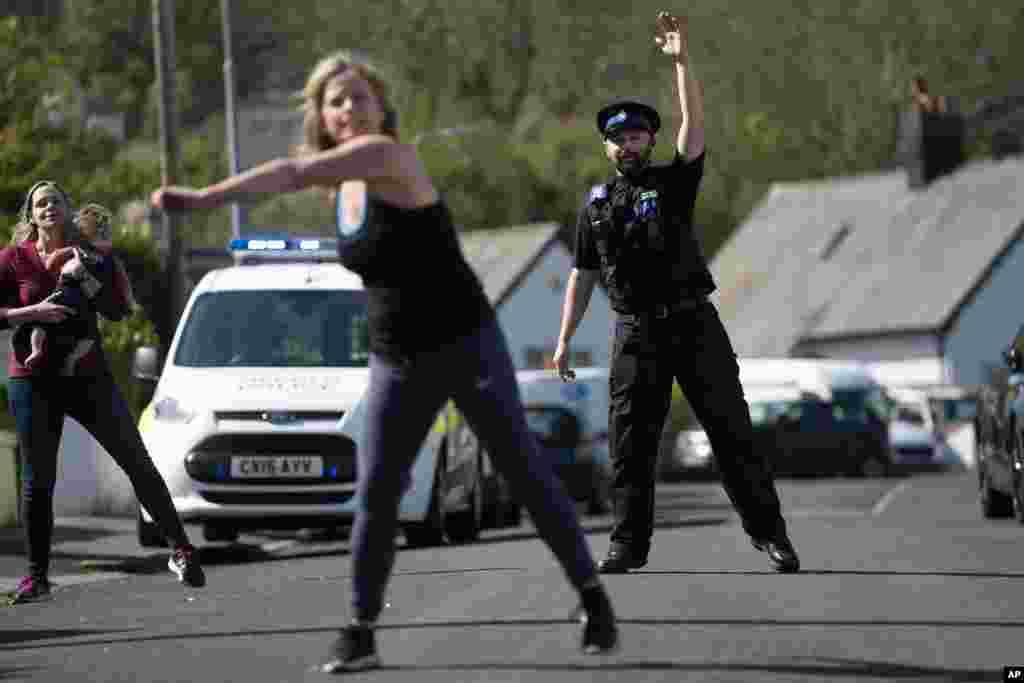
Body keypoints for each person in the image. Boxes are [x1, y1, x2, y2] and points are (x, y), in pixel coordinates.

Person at [150, 49, 618, 673]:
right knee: (376, 491)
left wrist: (203, 198)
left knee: (523, 469)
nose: (349, 108)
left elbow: (291, 171)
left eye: (360, 97)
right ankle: (360, 631)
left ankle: (592, 598)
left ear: (380, 107)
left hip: (465, 340)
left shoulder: (388, 155)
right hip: (396, 354)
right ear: (321, 114)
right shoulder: (343, 187)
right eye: (336, 101)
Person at [552, 12, 800, 575]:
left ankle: (770, 534)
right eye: (617, 137)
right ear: (607, 146)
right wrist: (564, 340)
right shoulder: (594, 206)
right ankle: (626, 545)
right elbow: (582, 275)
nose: (627, 143)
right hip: (635, 332)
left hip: (693, 324)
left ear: (651, 140)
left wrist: (682, 60)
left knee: (732, 433)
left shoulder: (672, 182)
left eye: (636, 134)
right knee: (629, 446)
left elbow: (695, 121)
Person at [0, 181, 205, 605]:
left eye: (56, 200)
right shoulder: (13, 259)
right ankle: (36, 576)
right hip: (32, 378)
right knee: (37, 480)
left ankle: (181, 549)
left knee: (136, 460)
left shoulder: (94, 256)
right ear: (31, 215)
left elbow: (115, 309)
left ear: (69, 209)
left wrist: (85, 278)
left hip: (87, 375)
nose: (49, 207)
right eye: (40, 203)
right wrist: (31, 312)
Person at [15, 203, 116, 374]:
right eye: (97, 236)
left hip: (78, 301)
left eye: (104, 237)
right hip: (67, 294)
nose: (102, 241)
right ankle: (37, 350)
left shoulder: (104, 259)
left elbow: (108, 296)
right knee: (41, 324)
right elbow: (53, 261)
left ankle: (69, 359)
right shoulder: (79, 250)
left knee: (87, 337)